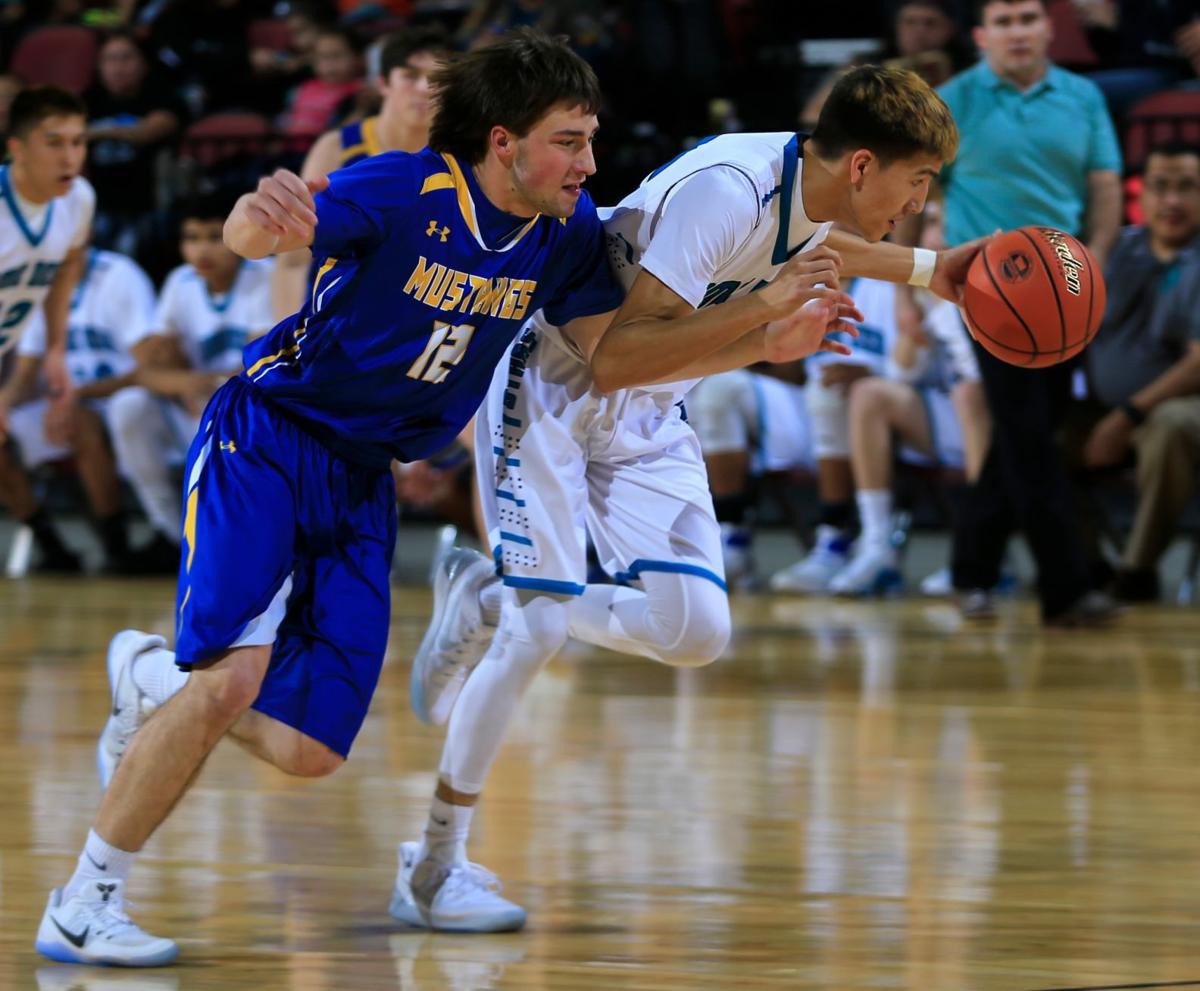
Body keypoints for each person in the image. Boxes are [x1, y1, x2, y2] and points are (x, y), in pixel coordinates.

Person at [34, 30, 625, 968]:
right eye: (569, 140)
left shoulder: (568, 231)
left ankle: (149, 676)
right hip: (268, 439)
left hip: (361, 477)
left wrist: (761, 323)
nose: (589, 162)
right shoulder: (402, 188)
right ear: (503, 141)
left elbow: (614, 351)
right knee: (231, 678)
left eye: (590, 139)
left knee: (311, 750)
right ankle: (82, 900)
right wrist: (253, 218)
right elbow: (257, 233)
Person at [394, 65, 979, 932]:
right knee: (539, 628)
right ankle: (434, 866)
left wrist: (934, 270)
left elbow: (824, 243)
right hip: (555, 379)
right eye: (918, 180)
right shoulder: (728, 191)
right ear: (862, 166)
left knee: (695, 631)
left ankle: (486, 594)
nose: (921, 200)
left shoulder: (812, 187)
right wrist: (765, 321)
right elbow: (615, 360)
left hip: (653, 401)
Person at [938, 0, 1124, 625]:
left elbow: (1103, 186)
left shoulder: (1083, 96)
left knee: (1031, 430)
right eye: (1004, 21)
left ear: (1048, 28)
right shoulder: (954, 100)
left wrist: (1095, 264)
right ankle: (1066, 588)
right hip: (987, 291)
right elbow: (921, 190)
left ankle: (971, 568)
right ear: (980, 35)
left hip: (1066, 288)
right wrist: (910, 283)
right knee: (1027, 433)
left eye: (1027, 18)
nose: (1017, 32)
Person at [105, 192, 275, 572]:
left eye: (215, 237)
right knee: (128, 407)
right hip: (198, 407)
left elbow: (261, 370)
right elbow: (149, 368)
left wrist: (192, 381)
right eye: (192, 238)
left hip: (252, 413)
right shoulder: (180, 282)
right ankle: (170, 533)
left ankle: (249, 542)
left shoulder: (265, 276)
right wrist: (186, 382)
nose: (202, 250)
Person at [1070, 141, 1200, 601]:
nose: (1172, 200)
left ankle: (1137, 570)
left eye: (1187, 187)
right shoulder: (1113, 250)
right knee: (1038, 435)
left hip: (1180, 409)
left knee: (1171, 426)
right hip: (1105, 408)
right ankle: (1087, 565)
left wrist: (1126, 416)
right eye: (1160, 187)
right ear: (1139, 196)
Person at [271, 26, 448, 320]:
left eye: (438, 78)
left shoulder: (464, 157)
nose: (424, 88)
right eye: (411, 75)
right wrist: (291, 332)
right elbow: (294, 259)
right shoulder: (337, 148)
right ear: (383, 83)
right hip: (339, 319)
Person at [1, 249, 157, 574]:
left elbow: (151, 367)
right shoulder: (38, 280)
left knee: (81, 422)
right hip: (64, 404)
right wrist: (4, 401)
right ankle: (52, 547)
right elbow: (26, 372)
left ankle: (116, 549)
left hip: (121, 400)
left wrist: (75, 397)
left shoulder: (119, 275)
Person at [0, 86, 94, 569]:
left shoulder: (78, 199)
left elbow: (67, 263)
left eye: (78, 142)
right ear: (17, 148)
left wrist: (56, 348)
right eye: (54, 142)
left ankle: (48, 545)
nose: (70, 156)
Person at [84, 31, 186, 268]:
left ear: (144, 63)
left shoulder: (163, 97)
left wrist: (95, 131)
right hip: (99, 204)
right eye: (109, 59)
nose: (117, 67)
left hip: (148, 206)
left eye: (126, 58)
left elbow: (144, 133)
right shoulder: (89, 99)